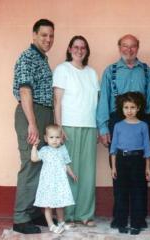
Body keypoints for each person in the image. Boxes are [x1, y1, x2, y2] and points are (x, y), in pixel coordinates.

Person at [96, 34, 150, 228]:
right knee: (119, 175)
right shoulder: (110, 71)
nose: (129, 50)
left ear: (138, 48)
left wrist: (147, 124)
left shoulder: (147, 71)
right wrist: (104, 127)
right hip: (117, 121)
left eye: (133, 46)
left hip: (140, 121)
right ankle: (119, 217)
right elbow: (103, 99)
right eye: (125, 46)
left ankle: (139, 218)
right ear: (119, 47)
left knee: (139, 179)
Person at [12, 19, 55, 234]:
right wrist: (32, 124)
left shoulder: (42, 59)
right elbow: (25, 91)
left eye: (51, 36)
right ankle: (20, 218)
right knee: (30, 163)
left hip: (43, 113)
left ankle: (33, 211)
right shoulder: (28, 57)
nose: (48, 39)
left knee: (40, 165)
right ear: (34, 35)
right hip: (32, 113)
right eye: (44, 35)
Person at [53, 35, 100, 226]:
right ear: (70, 49)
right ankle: (68, 215)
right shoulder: (62, 69)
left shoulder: (91, 72)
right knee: (70, 170)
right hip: (69, 127)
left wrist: (98, 127)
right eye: (76, 47)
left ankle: (85, 214)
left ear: (86, 51)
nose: (79, 50)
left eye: (83, 47)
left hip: (89, 126)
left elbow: (95, 103)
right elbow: (57, 101)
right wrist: (59, 126)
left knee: (87, 172)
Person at [110, 92, 150, 235]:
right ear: (121, 109)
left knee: (137, 193)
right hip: (121, 160)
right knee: (121, 193)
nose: (129, 111)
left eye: (132, 107)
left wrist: (147, 167)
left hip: (138, 161)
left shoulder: (143, 126)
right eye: (126, 107)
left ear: (138, 108)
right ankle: (121, 222)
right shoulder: (118, 126)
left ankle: (136, 223)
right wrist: (113, 167)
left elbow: (147, 148)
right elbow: (113, 148)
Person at [31, 124, 77, 234]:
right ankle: (51, 225)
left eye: (57, 137)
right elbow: (34, 158)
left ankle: (61, 222)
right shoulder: (44, 150)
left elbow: (66, 164)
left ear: (61, 138)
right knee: (48, 205)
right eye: (51, 137)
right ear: (46, 138)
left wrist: (72, 174)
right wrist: (34, 147)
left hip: (60, 182)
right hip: (48, 183)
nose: (55, 140)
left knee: (60, 204)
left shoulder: (62, 149)